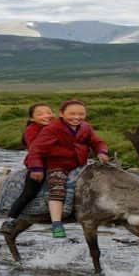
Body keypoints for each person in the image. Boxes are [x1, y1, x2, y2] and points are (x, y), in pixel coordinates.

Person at [27, 100, 109, 238]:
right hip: (58, 165)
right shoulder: (52, 128)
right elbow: (36, 149)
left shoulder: (85, 127)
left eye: (81, 114)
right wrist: (36, 168)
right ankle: (57, 224)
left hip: (79, 165)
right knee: (57, 188)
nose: (77, 117)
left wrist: (101, 151)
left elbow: (97, 142)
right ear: (61, 114)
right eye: (72, 114)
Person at [0, 103, 55, 234]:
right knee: (29, 193)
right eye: (40, 114)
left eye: (48, 112)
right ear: (32, 118)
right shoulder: (31, 130)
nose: (46, 116)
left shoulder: (56, 126)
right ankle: (10, 219)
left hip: (59, 164)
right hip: (39, 165)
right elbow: (35, 150)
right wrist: (37, 168)